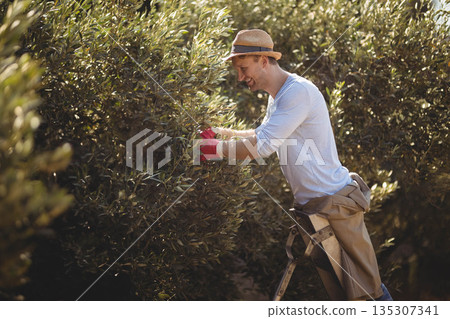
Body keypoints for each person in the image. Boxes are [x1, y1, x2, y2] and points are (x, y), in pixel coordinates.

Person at [199, 29, 392, 301]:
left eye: (243, 68)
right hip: (316, 208)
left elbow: (262, 147)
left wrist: (209, 150)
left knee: (367, 293)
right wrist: (222, 133)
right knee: (345, 296)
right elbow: (261, 134)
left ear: (263, 60)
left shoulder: (297, 92)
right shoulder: (278, 97)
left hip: (336, 204)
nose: (241, 77)